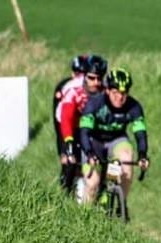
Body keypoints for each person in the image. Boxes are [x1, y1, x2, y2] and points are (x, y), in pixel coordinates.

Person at [78, 68, 150, 208]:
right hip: (94, 141)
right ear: (107, 90)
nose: (120, 97)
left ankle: (121, 205)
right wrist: (89, 153)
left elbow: (140, 134)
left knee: (127, 159)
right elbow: (84, 132)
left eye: (124, 93)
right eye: (115, 92)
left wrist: (142, 155)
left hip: (117, 140)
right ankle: (83, 218)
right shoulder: (95, 104)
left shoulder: (134, 107)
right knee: (93, 183)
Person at [58, 55, 107, 199]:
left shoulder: (105, 91)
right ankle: (65, 195)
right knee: (70, 160)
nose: (96, 83)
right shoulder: (73, 90)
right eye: (92, 78)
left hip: (91, 129)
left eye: (99, 78)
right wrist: (68, 141)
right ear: (85, 76)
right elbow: (65, 118)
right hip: (70, 127)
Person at [54, 55, 90, 194]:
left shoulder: (95, 87)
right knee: (69, 160)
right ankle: (65, 192)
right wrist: (63, 149)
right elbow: (61, 120)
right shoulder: (66, 87)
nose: (79, 77)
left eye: (83, 74)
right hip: (65, 122)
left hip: (86, 126)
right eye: (77, 73)